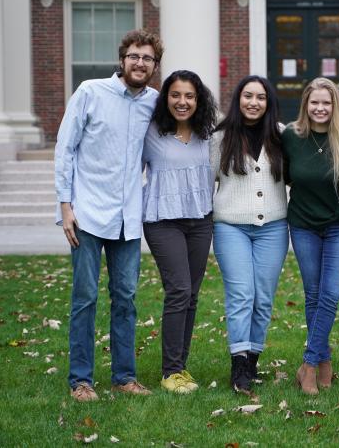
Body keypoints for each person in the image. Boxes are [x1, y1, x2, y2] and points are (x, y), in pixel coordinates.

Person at [55, 29, 162, 402]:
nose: (140, 63)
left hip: (127, 218)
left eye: (147, 58)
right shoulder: (90, 92)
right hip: (86, 215)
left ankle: (123, 377)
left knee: (126, 299)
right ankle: (80, 380)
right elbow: (65, 149)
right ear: (122, 59)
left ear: (154, 65)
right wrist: (65, 207)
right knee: (85, 297)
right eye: (134, 56)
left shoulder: (155, 103)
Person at [282, 77, 339, 396]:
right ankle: (324, 360)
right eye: (314, 102)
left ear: (336, 106)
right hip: (303, 224)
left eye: (326, 103)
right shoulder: (291, 136)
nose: (320, 108)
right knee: (314, 295)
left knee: (329, 294)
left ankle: (308, 365)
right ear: (306, 104)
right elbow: (287, 175)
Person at [210, 75, 288, 394]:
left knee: (264, 297)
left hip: (273, 227)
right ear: (238, 99)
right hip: (230, 226)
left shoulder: (282, 136)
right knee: (242, 294)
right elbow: (205, 180)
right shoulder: (220, 137)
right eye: (247, 96)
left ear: (268, 103)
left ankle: (253, 360)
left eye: (260, 97)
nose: (253, 102)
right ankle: (238, 365)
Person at [142, 69, 218, 394]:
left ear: (198, 100)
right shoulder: (150, 133)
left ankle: (181, 368)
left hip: (200, 219)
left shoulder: (207, 135)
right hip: (163, 220)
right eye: (175, 95)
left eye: (189, 96)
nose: (182, 102)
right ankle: (170, 371)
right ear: (166, 98)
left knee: (192, 295)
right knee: (179, 290)